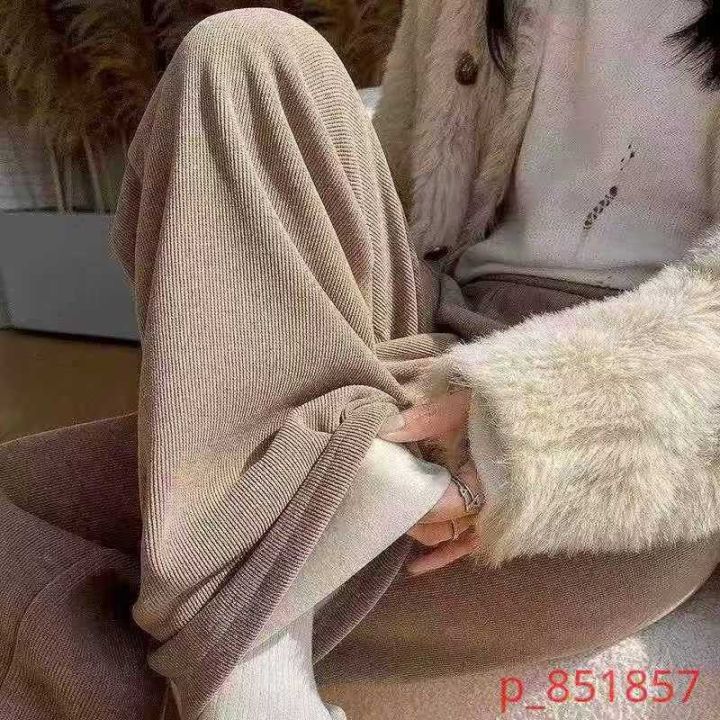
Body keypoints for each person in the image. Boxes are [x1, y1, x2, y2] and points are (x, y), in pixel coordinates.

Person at [2, 2, 720, 719]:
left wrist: (535, 431)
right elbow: (397, 201)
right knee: (245, 49)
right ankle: (263, 634)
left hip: (630, 407)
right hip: (430, 330)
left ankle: (246, 660)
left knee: (61, 556)